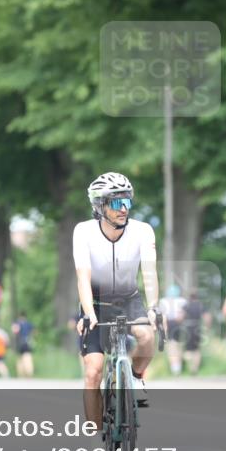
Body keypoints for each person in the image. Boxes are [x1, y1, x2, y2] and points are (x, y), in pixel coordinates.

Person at [75, 172, 160, 429]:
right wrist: (88, 313)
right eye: (115, 203)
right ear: (99, 206)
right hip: (96, 303)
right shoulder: (83, 231)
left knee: (146, 336)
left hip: (128, 298)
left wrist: (154, 307)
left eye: (127, 202)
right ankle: (94, 442)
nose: (123, 209)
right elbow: (82, 276)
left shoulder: (143, 231)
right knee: (93, 371)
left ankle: (134, 377)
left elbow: (149, 272)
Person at [160, 284, 188, 376]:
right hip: (177, 323)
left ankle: (175, 368)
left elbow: (163, 316)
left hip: (169, 323)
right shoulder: (182, 301)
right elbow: (182, 315)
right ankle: (177, 367)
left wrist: (164, 327)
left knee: (172, 345)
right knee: (176, 345)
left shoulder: (163, 301)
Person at [181, 289, 206, 375]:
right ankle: (195, 368)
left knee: (188, 349)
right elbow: (207, 317)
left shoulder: (187, 305)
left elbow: (181, 316)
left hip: (188, 327)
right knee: (197, 349)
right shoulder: (200, 305)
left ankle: (190, 367)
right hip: (197, 327)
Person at [11, 312, 35, 378]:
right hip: (28, 342)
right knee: (28, 357)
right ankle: (29, 372)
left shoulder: (17, 323)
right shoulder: (29, 323)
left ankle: (21, 373)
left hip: (21, 342)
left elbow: (14, 331)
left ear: (20, 316)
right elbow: (34, 332)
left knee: (20, 358)